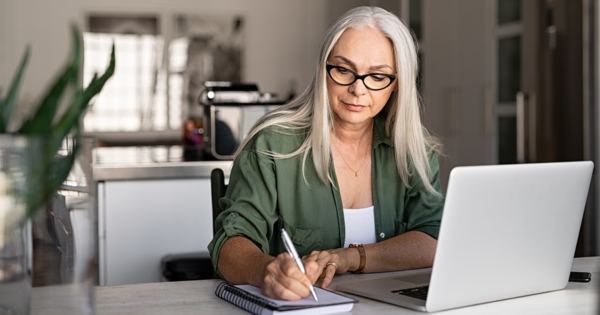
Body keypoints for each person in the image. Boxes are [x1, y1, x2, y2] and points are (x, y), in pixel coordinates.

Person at [208, 6, 444, 301]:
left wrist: (350, 257)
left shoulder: (414, 148)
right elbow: (229, 244)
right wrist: (264, 270)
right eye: (344, 70)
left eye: (377, 76)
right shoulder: (272, 143)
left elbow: (434, 239)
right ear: (324, 69)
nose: (358, 89)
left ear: (396, 84)